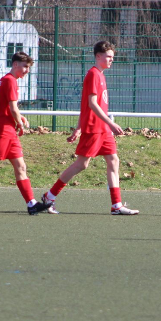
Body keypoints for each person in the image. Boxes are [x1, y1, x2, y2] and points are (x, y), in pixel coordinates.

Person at [40, 40, 138, 215]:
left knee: (113, 160)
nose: (111, 60)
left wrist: (78, 127)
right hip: (94, 128)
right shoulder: (93, 74)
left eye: (112, 57)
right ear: (98, 56)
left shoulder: (100, 74)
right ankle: (50, 195)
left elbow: (85, 104)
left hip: (103, 129)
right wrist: (110, 122)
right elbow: (92, 104)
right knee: (82, 164)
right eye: (108, 57)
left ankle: (116, 205)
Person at [0, 51, 47, 215]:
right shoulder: (10, 81)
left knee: (21, 166)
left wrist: (19, 118)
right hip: (2, 130)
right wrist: (20, 123)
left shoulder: (7, 80)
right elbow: (12, 108)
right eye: (25, 66)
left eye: (28, 67)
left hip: (8, 130)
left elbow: (8, 108)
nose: (27, 70)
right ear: (15, 65)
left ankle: (31, 203)